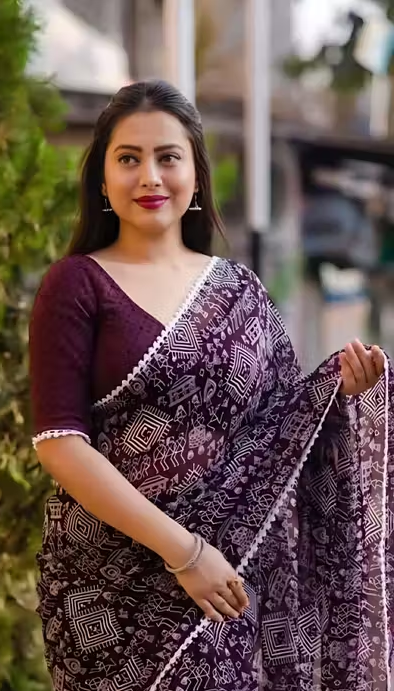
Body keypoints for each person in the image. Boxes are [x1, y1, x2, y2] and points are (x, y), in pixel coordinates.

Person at [29, 79, 393, 691]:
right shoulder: (76, 284)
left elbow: (284, 437)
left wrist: (344, 393)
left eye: (168, 157)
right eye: (129, 158)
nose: (150, 176)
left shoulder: (240, 291)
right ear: (102, 179)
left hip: (231, 582)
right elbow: (60, 444)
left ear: (196, 175)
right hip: (108, 592)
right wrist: (186, 553)